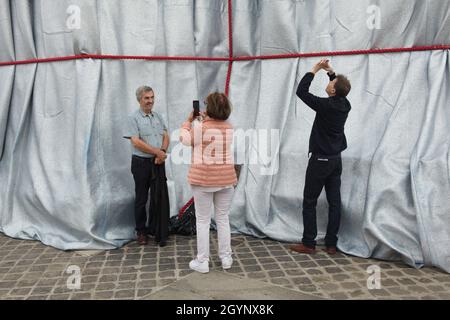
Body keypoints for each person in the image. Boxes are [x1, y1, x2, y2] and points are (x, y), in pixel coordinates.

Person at [290, 59, 352, 255]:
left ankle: (309, 243)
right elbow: (339, 89)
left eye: (331, 84)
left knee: (310, 201)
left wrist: (314, 70)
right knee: (334, 202)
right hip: (335, 160)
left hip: (320, 161)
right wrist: (331, 73)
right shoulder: (345, 104)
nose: (329, 84)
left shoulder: (326, 106)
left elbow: (301, 92)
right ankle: (331, 244)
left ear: (333, 91)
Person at [179, 92, 237, 273]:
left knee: (203, 221)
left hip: (203, 180)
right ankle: (226, 258)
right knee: (223, 218)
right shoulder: (230, 128)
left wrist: (188, 121)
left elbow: (184, 139)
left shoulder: (198, 127)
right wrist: (206, 120)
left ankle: (202, 261)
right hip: (226, 179)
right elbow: (214, 131)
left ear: (209, 108)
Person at [125, 86, 170, 247]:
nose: (150, 101)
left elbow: (165, 135)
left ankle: (158, 230)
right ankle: (141, 232)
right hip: (141, 163)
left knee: (159, 197)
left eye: (152, 97)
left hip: (158, 162)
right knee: (142, 199)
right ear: (139, 100)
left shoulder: (158, 116)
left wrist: (162, 151)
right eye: (146, 98)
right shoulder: (133, 118)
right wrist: (157, 152)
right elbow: (136, 142)